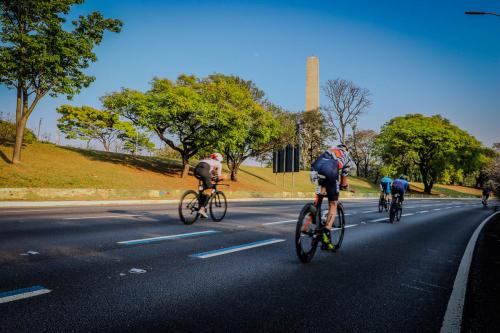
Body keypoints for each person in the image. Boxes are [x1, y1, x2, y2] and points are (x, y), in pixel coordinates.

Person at [310, 144, 352, 250]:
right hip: (330, 169)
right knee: (333, 203)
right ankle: (326, 233)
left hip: (315, 168)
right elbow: (344, 179)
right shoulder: (346, 155)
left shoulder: (329, 150)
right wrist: (344, 186)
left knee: (322, 190)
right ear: (346, 150)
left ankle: (314, 212)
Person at [193, 153, 226, 218]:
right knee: (210, 189)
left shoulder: (206, 160)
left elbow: (210, 175)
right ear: (219, 159)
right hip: (204, 171)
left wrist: (212, 177)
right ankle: (202, 209)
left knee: (204, 188)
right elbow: (218, 176)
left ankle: (201, 208)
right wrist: (223, 177)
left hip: (196, 171)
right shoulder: (218, 164)